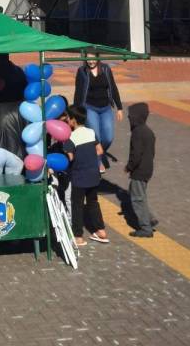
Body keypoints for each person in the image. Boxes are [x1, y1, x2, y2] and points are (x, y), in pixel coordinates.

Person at [63, 104, 108, 246]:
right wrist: (88, 156)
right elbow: (100, 150)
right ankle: (101, 231)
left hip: (79, 177)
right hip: (93, 175)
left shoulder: (71, 137)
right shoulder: (91, 132)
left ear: (73, 120)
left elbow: (70, 157)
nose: (67, 120)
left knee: (77, 205)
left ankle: (78, 237)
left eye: (68, 118)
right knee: (93, 202)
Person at [74, 54, 123, 171]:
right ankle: (98, 161)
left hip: (106, 108)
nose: (91, 61)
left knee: (108, 138)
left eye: (93, 59)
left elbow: (113, 87)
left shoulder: (106, 69)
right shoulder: (82, 71)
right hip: (90, 107)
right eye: (88, 59)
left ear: (98, 57)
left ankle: (98, 152)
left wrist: (119, 108)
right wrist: (76, 112)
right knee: (96, 137)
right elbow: (78, 91)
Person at [125, 102, 157, 238]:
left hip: (139, 171)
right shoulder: (148, 131)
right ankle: (150, 218)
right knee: (140, 194)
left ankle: (145, 228)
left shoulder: (137, 132)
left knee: (137, 199)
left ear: (136, 117)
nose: (128, 118)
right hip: (147, 169)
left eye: (130, 116)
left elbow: (136, 154)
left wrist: (129, 167)